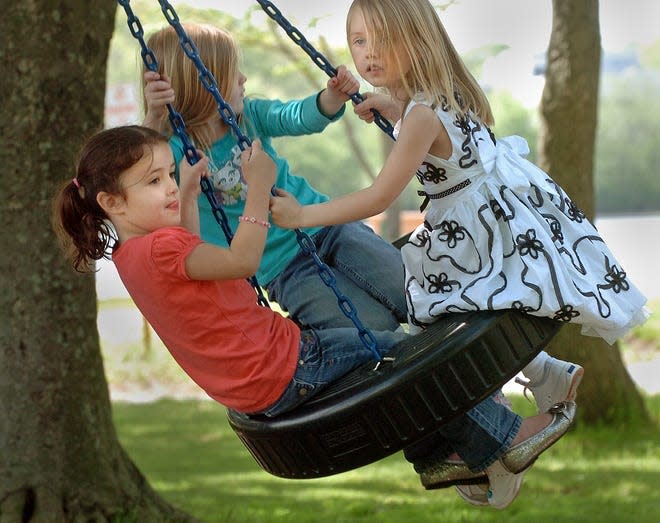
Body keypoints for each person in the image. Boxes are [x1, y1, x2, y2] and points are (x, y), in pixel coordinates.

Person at [53, 125, 575, 510]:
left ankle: (439, 457)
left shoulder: (131, 257)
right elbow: (241, 261)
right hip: (287, 365)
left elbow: (188, 245)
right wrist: (259, 187)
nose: (167, 186)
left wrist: (187, 193)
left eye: (167, 174)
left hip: (261, 379)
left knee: (382, 377)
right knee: (404, 361)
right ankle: (503, 438)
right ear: (111, 202)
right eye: (153, 182)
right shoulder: (162, 250)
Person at [269, 0, 649, 505]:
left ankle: (497, 426)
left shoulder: (421, 114)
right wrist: (390, 106)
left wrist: (302, 217)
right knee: (439, 311)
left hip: (470, 232)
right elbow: (433, 131)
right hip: (495, 217)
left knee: (429, 311)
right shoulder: (438, 97)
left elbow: (380, 196)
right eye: (359, 41)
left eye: (384, 40)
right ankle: (543, 375)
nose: (369, 53)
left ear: (418, 39)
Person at [141, 23, 408, 335]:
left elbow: (293, 116)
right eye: (232, 73)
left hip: (328, 228)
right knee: (374, 328)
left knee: (409, 290)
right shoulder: (174, 153)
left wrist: (330, 98)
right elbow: (140, 167)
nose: (243, 79)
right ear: (203, 84)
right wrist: (155, 117)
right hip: (284, 270)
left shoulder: (249, 116)